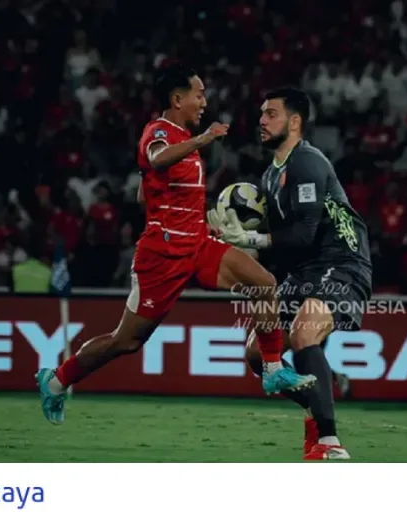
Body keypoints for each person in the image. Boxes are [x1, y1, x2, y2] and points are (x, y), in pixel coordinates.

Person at [35, 65, 315, 426]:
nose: (204, 102)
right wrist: (204, 140)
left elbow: (145, 192)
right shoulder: (159, 132)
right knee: (126, 341)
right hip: (162, 255)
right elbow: (156, 159)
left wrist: (192, 216)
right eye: (199, 94)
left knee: (263, 284)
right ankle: (56, 380)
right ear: (177, 99)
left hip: (196, 243)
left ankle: (273, 368)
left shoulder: (182, 138)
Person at [208, 87, 372, 460]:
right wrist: (230, 238)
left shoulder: (307, 163)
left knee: (302, 333)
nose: (262, 121)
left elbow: (303, 235)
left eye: (271, 114)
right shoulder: (269, 177)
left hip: (341, 262)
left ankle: (329, 441)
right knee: (258, 354)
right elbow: (281, 243)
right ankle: (321, 394)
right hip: (302, 270)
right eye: (261, 114)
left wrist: (250, 238)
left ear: (295, 122)